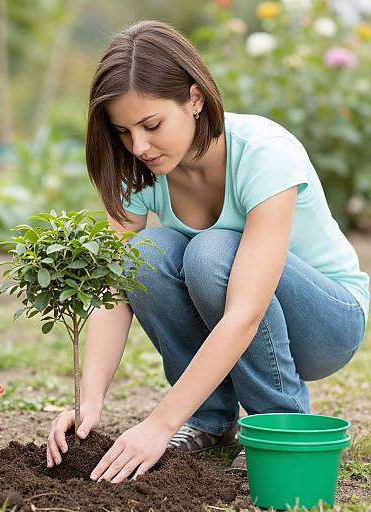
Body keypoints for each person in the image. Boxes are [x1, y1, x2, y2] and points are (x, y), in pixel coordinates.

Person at [46, 20, 369, 484]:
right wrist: (88, 402)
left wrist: (158, 424)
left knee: (212, 251)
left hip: (327, 322)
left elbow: (243, 314)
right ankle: (210, 419)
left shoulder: (264, 152)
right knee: (143, 253)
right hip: (240, 318)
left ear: (195, 99)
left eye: (152, 124)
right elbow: (111, 287)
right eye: (123, 131)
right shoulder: (139, 169)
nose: (139, 146)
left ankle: (276, 423)